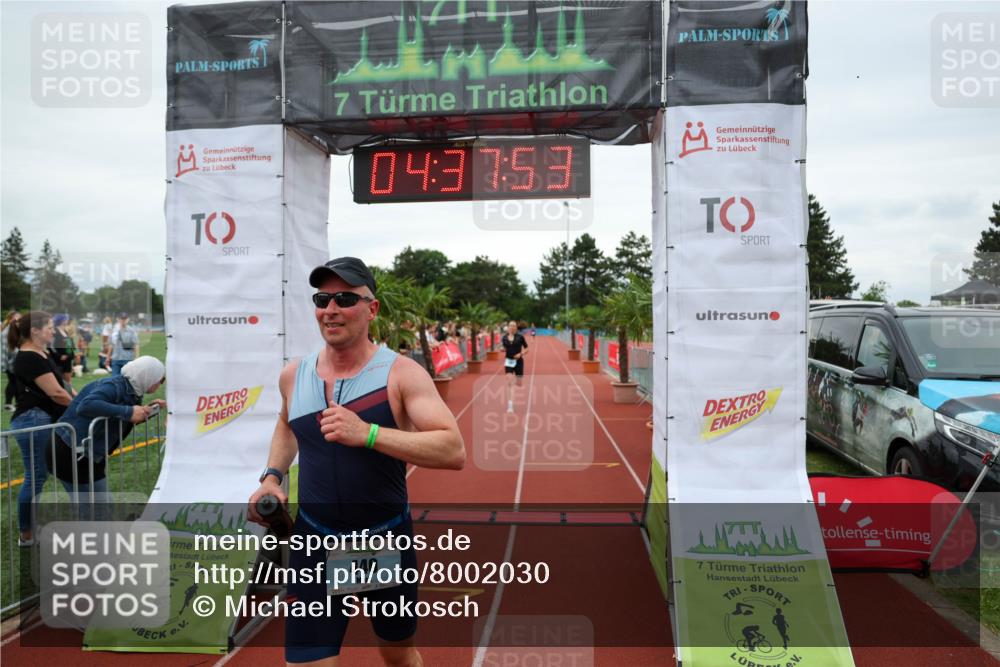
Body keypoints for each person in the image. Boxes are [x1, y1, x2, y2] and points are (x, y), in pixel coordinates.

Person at [247, 256, 465, 667]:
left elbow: (452, 449)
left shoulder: (402, 374)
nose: (331, 309)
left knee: (397, 655)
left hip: (383, 540)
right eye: (322, 299)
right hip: (315, 541)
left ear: (372, 309)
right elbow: (286, 424)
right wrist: (273, 475)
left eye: (345, 298)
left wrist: (367, 433)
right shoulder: (293, 375)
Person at [47, 356, 165, 513]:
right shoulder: (114, 386)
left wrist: (148, 411)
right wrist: (129, 411)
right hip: (70, 451)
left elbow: (124, 419)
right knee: (97, 509)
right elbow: (86, 405)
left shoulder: (132, 390)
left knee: (94, 509)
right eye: (160, 379)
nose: (160, 383)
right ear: (147, 376)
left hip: (85, 453)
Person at [8, 312, 74, 545]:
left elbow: (63, 387)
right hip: (33, 421)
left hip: (41, 419)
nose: (53, 330)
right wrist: (81, 408)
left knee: (40, 475)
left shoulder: (41, 353)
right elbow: (55, 393)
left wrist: (79, 399)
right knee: (35, 477)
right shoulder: (29, 357)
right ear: (34, 331)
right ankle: (26, 534)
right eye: (48, 327)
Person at [501, 320, 528, 413]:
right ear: (508, 327)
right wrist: (503, 349)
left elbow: (527, 349)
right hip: (508, 361)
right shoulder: (504, 338)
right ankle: (510, 406)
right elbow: (505, 347)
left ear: (516, 328)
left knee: (519, 382)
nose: (512, 327)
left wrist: (520, 354)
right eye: (510, 326)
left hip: (519, 362)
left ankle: (518, 381)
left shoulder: (520, 337)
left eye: (514, 326)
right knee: (509, 382)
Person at [2, 310, 21, 410]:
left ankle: (18, 403)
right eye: (17, 318)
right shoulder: (6, 332)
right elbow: (7, 349)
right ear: (10, 319)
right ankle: (8, 404)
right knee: (13, 382)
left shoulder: (14, 331)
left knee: (17, 382)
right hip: (10, 362)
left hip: (14, 361)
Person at [51, 313, 75, 385]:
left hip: (68, 359)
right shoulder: (55, 331)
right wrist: (59, 356)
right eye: (65, 319)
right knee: (60, 381)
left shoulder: (65, 331)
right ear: (61, 321)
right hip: (59, 360)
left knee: (68, 381)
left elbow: (69, 344)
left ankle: (70, 394)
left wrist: (71, 351)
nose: (67, 320)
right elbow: (51, 346)